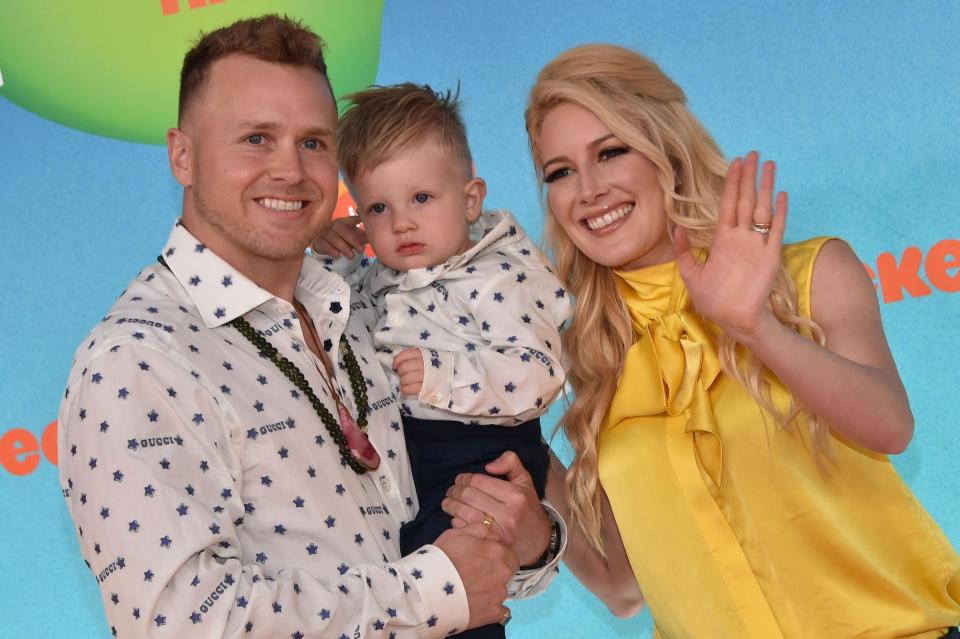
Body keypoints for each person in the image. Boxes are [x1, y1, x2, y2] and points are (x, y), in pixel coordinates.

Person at [56, 15, 559, 638]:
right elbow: (181, 622)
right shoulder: (135, 360)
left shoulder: (360, 303)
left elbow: (449, 543)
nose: (290, 170)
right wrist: (437, 593)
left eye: (314, 143)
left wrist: (535, 542)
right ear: (182, 156)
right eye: (256, 139)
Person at [448, 43, 960, 638]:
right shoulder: (590, 357)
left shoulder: (809, 276)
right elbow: (622, 587)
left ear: (667, 150)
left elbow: (890, 426)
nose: (587, 190)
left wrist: (753, 328)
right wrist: (518, 435)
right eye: (559, 171)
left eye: (610, 152)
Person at [312, 82, 571, 638]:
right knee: (415, 581)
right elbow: (333, 328)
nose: (401, 222)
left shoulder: (498, 274)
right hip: (414, 462)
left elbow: (538, 373)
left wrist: (443, 375)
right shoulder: (380, 274)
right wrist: (330, 259)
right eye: (378, 207)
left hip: (484, 453)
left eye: (421, 199)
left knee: (456, 580)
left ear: (470, 198)